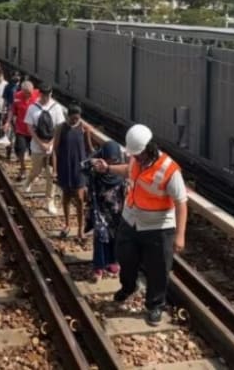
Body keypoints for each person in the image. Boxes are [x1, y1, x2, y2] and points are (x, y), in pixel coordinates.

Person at [91, 124, 188, 326]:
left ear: (149, 148)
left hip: (158, 227)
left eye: (138, 154)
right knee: (124, 256)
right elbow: (128, 171)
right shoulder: (136, 159)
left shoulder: (170, 170)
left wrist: (180, 235)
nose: (136, 157)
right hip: (131, 219)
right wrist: (107, 168)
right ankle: (128, 287)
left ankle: (155, 305)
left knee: (158, 268)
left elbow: (181, 203)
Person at [52, 104, 94, 240]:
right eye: (73, 118)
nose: (75, 120)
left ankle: (80, 229)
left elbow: (90, 149)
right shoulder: (61, 128)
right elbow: (55, 150)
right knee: (66, 197)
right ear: (68, 116)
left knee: (80, 199)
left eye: (77, 118)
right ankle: (67, 224)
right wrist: (55, 170)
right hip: (65, 167)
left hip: (79, 169)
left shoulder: (84, 128)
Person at [86, 141, 126, 281]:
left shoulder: (121, 170)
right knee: (101, 238)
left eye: (114, 160)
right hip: (100, 210)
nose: (111, 163)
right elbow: (82, 166)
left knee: (115, 237)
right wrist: (94, 160)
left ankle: (113, 261)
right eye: (108, 159)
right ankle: (98, 267)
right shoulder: (96, 169)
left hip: (117, 211)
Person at [23, 82, 65, 215]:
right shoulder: (33, 108)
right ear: (40, 94)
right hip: (37, 146)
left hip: (51, 147)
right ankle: (29, 180)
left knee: (51, 174)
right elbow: (29, 127)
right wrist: (40, 143)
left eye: (48, 95)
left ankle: (49, 201)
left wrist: (51, 143)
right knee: (36, 170)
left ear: (51, 94)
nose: (46, 98)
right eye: (44, 95)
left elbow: (59, 128)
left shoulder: (56, 108)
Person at [5, 80, 39, 181]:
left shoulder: (38, 94)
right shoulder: (17, 96)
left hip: (34, 131)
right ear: (23, 91)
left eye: (30, 92)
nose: (29, 95)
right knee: (20, 149)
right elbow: (12, 110)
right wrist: (7, 122)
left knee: (34, 153)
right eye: (27, 93)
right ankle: (23, 169)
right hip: (21, 129)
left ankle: (34, 172)